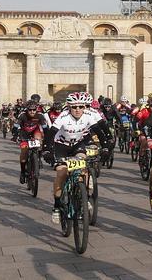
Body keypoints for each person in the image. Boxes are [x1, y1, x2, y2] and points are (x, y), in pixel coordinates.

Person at [42, 92, 110, 224]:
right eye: (74, 107)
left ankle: (82, 198)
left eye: (80, 106)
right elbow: (51, 134)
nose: (78, 110)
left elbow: (99, 132)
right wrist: (46, 150)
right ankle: (56, 206)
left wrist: (106, 146)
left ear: (85, 107)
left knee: (83, 168)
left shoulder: (88, 116)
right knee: (61, 173)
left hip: (77, 145)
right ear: (69, 107)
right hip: (61, 146)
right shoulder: (63, 116)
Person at [12, 100, 48, 184]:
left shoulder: (40, 115)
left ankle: (37, 158)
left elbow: (45, 128)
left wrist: (47, 139)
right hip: (24, 133)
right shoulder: (22, 115)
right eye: (30, 110)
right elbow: (16, 126)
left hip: (35, 131)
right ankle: (23, 172)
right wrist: (14, 135)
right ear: (27, 110)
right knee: (24, 151)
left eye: (34, 110)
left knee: (39, 140)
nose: (32, 111)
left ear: (36, 109)